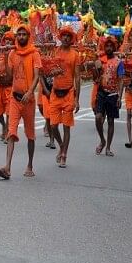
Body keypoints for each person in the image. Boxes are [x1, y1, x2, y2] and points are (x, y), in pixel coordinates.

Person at [0, 24, 41, 179]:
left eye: (24, 34)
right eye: (19, 34)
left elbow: (36, 76)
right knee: (11, 132)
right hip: (15, 98)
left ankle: (30, 164)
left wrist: (29, 92)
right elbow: (9, 76)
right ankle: (7, 167)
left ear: (28, 36)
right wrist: (4, 61)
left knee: (30, 135)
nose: (21, 37)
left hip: (28, 100)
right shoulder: (12, 54)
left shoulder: (34, 53)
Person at [49, 26, 81, 168]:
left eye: (69, 36)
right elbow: (50, 71)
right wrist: (53, 71)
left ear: (71, 38)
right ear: (61, 37)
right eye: (64, 36)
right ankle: (61, 145)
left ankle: (64, 155)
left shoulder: (75, 55)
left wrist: (77, 99)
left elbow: (78, 78)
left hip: (68, 93)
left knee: (66, 127)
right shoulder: (55, 52)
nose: (66, 38)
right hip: (55, 93)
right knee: (53, 125)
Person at [94, 35, 124, 157]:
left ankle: (108, 147)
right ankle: (102, 140)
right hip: (101, 92)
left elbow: (121, 80)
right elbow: (95, 79)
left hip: (112, 94)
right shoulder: (100, 60)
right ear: (104, 47)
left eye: (111, 46)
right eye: (107, 45)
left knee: (111, 121)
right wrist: (96, 68)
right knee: (98, 117)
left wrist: (119, 97)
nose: (109, 47)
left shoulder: (119, 62)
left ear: (114, 47)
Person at [0, 31, 15, 142]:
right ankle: (4, 126)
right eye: (6, 39)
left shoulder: (15, 55)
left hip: (9, 88)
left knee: (8, 112)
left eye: (10, 40)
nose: (7, 41)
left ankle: (7, 132)